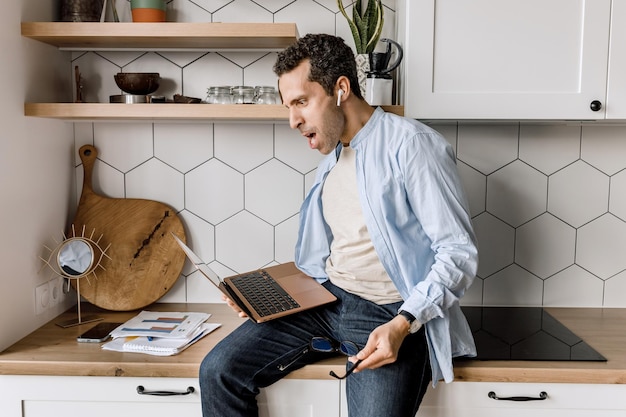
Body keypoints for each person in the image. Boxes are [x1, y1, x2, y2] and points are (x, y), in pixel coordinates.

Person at [199, 33, 478, 417]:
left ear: (341, 89)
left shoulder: (412, 145)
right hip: (327, 301)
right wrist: (261, 296)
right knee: (219, 371)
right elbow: (333, 254)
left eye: (301, 102)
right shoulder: (332, 155)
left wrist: (403, 323)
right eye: (288, 106)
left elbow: (458, 253)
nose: (293, 120)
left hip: (387, 313)